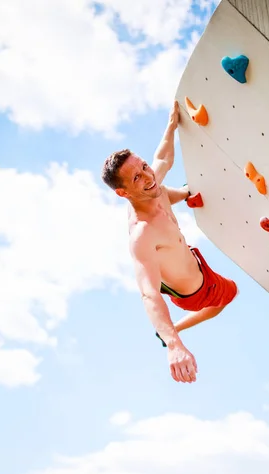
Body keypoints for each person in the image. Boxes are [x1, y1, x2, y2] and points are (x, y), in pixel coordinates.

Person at [101, 100, 238, 384]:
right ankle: (172, 331)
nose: (148, 176)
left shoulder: (152, 183)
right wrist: (175, 346)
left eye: (144, 167)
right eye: (137, 178)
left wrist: (171, 125)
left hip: (193, 259)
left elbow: (163, 158)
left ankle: (187, 192)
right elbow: (149, 294)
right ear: (123, 193)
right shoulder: (142, 235)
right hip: (197, 291)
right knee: (231, 293)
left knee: (166, 190)